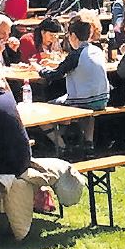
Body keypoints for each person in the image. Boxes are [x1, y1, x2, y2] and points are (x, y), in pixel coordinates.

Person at [39, 17, 110, 152]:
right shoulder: (97, 50)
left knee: (43, 111)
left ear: (73, 36)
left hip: (82, 100)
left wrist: (39, 70)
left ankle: (62, 146)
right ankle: (89, 143)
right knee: (88, 111)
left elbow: (55, 75)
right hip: (102, 99)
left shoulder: (76, 55)